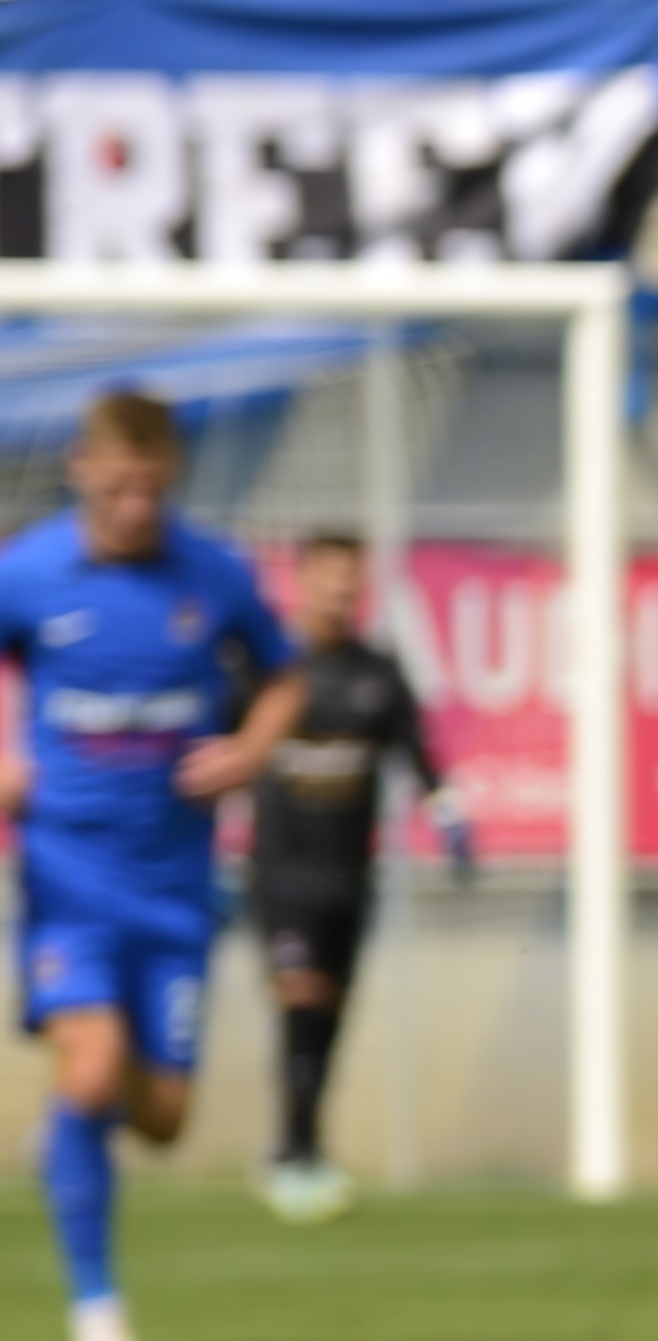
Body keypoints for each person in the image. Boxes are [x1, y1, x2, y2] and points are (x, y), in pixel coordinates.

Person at [3, 392, 301, 1341]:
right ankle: (96, 1303)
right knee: (89, 1068)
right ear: (83, 469)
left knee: (163, 1118)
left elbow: (287, 674)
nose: (136, 505)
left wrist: (252, 747)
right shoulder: (35, 571)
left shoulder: (211, 572)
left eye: (152, 487)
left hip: (175, 887)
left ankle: (84, 1146)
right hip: (67, 872)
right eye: (119, 485)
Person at [238, 523, 460, 1221]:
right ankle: (299, 1158)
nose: (339, 597)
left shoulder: (376, 674)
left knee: (326, 1017)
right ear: (300, 583)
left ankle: (295, 1145)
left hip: (346, 877)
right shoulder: (266, 670)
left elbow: (418, 753)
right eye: (328, 583)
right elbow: (217, 743)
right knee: (300, 1000)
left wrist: (448, 813)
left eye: (351, 586)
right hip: (279, 874)